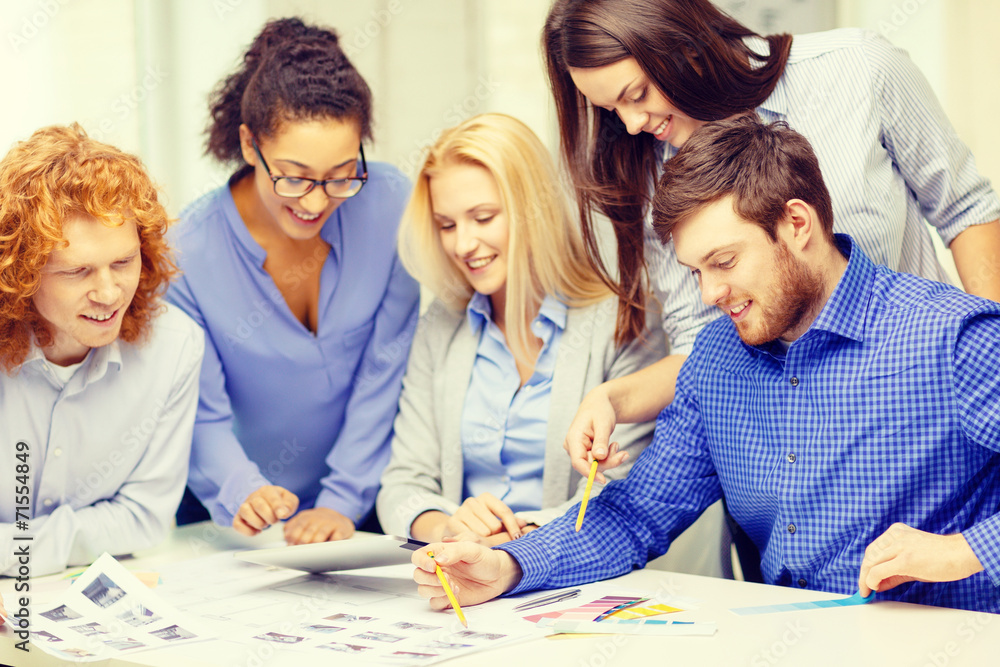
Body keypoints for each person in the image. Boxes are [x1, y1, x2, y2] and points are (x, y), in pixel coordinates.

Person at [411, 115, 1000, 614]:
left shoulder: (951, 337)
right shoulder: (716, 361)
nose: (709, 294)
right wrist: (506, 566)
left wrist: (962, 552)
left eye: (724, 261)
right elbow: (635, 514)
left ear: (797, 225)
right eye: (696, 271)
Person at [542, 0, 1000, 482]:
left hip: (922, 424)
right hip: (785, 462)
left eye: (637, 94)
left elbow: (966, 212)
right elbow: (700, 345)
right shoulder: (649, 166)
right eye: (612, 110)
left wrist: (986, 362)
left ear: (682, 46)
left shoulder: (859, 68)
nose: (633, 123)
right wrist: (612, 397)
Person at [167, 17, 419, 543]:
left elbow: (384, 374)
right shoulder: (185, 252)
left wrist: (341, 503)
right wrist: (244, 491)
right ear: (248, 144)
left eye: (341, 175)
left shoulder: (393, 207)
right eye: (294, 175)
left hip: (359, 509)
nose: (315, 201)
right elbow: (199, 413)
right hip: (234, 518)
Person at [376, 114, 665, 544]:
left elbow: (622, 490)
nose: (462, 244)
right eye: (447, 225)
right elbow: (402, 484)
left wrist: (513, 540)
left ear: (535, 210)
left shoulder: (623, 317)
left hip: (571, 577)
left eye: (483, 217)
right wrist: (448, 530)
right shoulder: (441, 324)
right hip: (463, 571)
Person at [0, 124, 204, 577]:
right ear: (21, 271)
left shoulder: (173, 346)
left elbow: (143, 518)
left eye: (123, 262)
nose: (109, 293)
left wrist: (15, 553)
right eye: (77, 272)